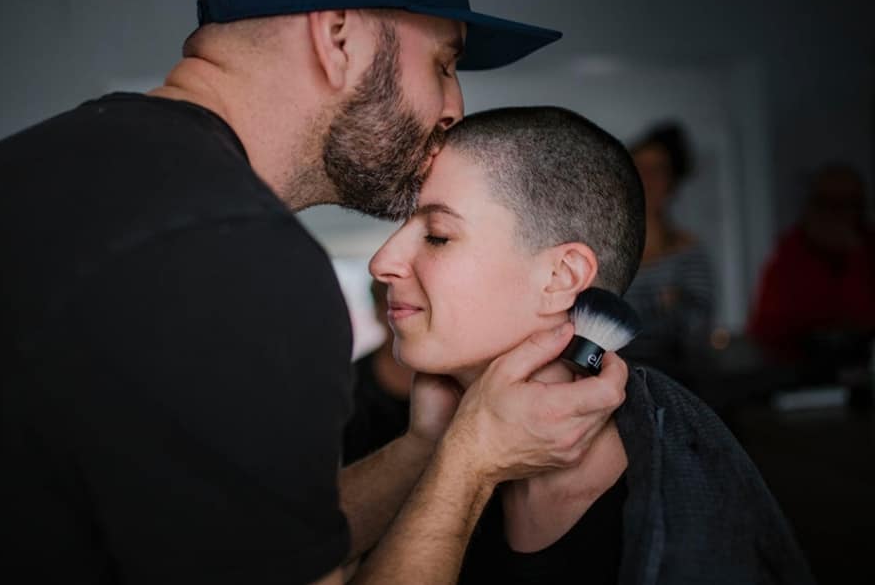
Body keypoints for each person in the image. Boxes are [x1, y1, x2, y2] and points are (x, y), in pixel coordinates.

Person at [0, 0, 630, 584]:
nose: (454, 106)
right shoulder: (228, 258)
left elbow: (237, 544)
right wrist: (468, 464)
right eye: (443, 63)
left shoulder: (42, 174)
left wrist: (425, 448)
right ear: (339, 35)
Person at [369, 106, 815, 584]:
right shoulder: (432, 461)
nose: (382, 261)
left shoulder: (664, 516)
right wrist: (436, 450)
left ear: (561, 277)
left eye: (436, 235)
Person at [747, 162, 875, 368]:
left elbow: (865, 319)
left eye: (849, 204)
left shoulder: (867, 250)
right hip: (800, 375)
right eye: (828, 204)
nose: (837, 215)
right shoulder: (789, 255)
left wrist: (855, 258)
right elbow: (765, 331)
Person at [621, 122, 715, 373]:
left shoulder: (689, 253)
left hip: (675, 381)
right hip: (612, 379)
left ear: (672, 182)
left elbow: (697, 333)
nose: (647, 179)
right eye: (639, 167)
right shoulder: (602, 254)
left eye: (657, 170)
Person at [343, 279, 414, 465]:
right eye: (391, 308)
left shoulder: (456, 377)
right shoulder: (351, 380)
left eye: (411, 309)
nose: (402, 321)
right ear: (377, 311)